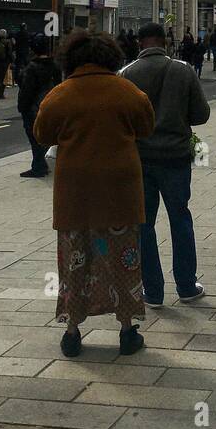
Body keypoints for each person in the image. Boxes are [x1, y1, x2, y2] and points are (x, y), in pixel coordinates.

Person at [33, 30, 155, 357]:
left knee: (75, 261)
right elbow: (146, 127)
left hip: (76, 194)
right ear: (110, 58)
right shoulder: (128, 92)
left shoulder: (60, 95)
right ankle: (128, 330)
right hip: (120, 191)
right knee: (123, 260)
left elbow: (43, 133)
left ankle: (72, 333)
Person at [122, 21, 210, 306]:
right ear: (165, 42)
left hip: (140, 160)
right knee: (180, 218)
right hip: (175, 158)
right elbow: (201, 115)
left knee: (143, 224)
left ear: (139, 44)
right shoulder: (183, 70)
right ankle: (186, 286)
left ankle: (153, 290)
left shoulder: (126, 75)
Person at [16, 36, 60, 177]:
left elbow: (27, 91)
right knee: (45, 136)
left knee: (34, 138)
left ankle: (39, 167)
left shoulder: (32, 68)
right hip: (52, 105)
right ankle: (41, 164)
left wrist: (22, 107)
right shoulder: (55, 66)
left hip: (34, 108)